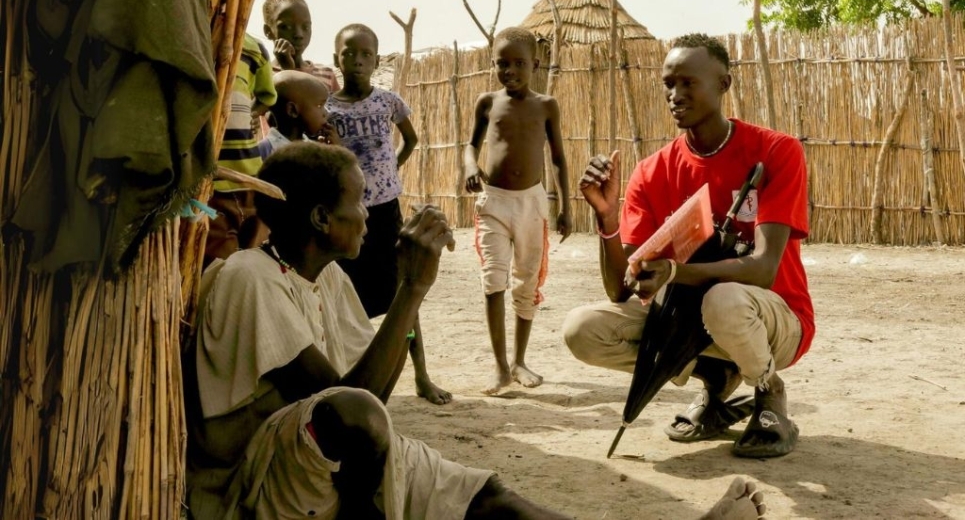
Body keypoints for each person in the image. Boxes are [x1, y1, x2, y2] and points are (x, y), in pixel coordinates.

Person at [184, 140, 768, 520]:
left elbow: (365, 395)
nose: (369, 213)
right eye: (359, 202)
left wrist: (409, 297)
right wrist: (411, 289)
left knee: (489, 499)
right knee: (357, 420)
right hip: (260, 485)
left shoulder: (326, 281)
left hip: (320, 459)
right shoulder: (249, 278)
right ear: (320, 218)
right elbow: (349, 407)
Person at [563, 33, 813, 459]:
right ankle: (716, 378)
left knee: (724, 299)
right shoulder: (650, 172)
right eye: (668, 84)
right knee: (583, 330)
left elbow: (764, 267)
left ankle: (769, 391)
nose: (675, 95)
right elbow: (622, 292)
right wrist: (606, 219)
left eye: (687, 83)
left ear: (724, 84)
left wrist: (679, 272)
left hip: (773, 320)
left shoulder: (775, 152)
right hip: (688, 323)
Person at [325, 23, 451, 405]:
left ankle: (421, 375)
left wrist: (390, 170)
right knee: (346, 293)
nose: (358, 61)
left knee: (402, 290)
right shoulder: (329, 109)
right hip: (349, 213)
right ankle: (355, 372)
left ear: (377, 60)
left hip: (385, 211)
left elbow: (410, 139)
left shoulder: (388, 102)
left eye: (366, 55)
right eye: (349, 53)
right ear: (337, 59)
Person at [464, 26, 572, 395]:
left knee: (526, 283)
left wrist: (566, 206)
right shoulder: (487, 103)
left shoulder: (546, 106)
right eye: (502, 64)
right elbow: (470, 146)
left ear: (536, 64)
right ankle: (499, 367)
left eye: (519, 64)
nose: (510, 71)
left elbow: (558, 158)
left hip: (531, 204)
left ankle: (519, 361)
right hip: (493, 201)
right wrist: (469, 166)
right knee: (493, 278)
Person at [204, 33, 276, 266]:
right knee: (218, 267)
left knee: (254, 262)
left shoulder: (254, 48)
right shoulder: (197, 35)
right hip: (211, 185)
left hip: (250, 180)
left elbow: (267, 96)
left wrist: (249, 114)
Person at [262, 0, 341, 92]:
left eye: (306, 27)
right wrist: (287, 71)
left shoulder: (326, 75)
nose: (298, 34)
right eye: (286, 27)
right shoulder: (262, 75)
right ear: (268, 31)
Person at [258, 70, 338, 159]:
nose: (326, 112)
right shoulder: (264, 151)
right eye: (319, 106)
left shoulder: (315, 150)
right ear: (292, 110)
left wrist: (333, 153)